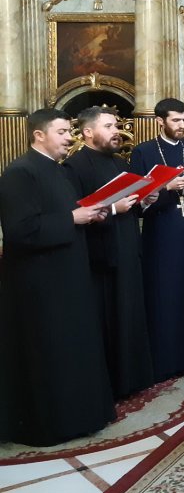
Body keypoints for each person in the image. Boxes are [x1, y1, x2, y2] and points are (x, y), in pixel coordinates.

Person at [0, 109, 115, 445]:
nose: (70, 138)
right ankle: (55, 424)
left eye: (70, 131)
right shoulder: (19, 173)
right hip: (40, 285)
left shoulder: (60, 171)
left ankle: (83, 416)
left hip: (70, 276)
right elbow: (20, 232)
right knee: (51, 352)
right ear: (39, 135)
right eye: (63, 132)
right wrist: (73, 218)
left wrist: (92, 214)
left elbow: (67, 214)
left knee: (75, 346)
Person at [65, 106, 155, 398]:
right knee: (109, 318)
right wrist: (115, 208)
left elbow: (133, 204)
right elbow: (75, 214)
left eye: (116, 125)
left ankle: (134, 379)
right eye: (108, 126)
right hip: (101, 256)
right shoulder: (74, 167)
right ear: (88, 132)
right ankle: (114, 384)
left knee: (130, 314)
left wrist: (147, 198)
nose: (116, 131)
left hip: (128, 248)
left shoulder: (120, 162)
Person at [130, 98, 184, 381]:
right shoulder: (143, 152)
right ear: (160, 121)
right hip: (161, 230)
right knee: (165, 291)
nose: (181, 125)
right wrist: (165, 187)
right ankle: (166, 359)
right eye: (176, 120)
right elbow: (138, 199)